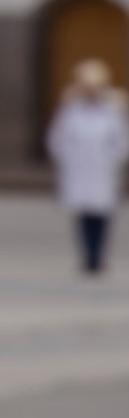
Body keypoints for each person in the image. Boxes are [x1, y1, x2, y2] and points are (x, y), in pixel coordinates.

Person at [47, 57, 129, 275]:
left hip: (103, 170)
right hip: (80, 170)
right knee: (83, 217)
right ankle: (87, 257)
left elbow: (122, 141)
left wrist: (111, 159)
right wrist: (70, 158)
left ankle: (98, 257)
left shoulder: (112, 111)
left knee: (102, 217)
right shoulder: (71, 110)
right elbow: (58, 139)